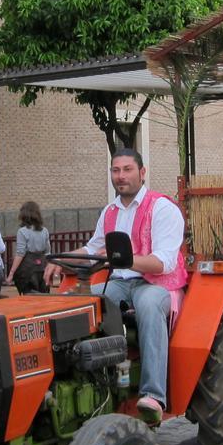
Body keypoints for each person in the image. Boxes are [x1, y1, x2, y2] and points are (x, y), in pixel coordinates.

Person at [44, 149, 185, 423]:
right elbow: (93, 247)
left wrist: (125, 260)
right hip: (119, 283)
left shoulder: (163, 208)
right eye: (116, 170)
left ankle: (153, 395)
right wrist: (62, 260)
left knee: (147, 305)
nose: (121, 176)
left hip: (157, 284)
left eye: (127, 169)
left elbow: (164, 262)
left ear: (142, 173)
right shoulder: (110, 212)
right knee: (76, 301)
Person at [6, 201, 50, 295]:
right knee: (43, 298)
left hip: (27, 271)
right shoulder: (45, 230)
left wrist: (11, 273)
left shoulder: (22, 231)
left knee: (29, 298)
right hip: (42, 268)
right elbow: (47, 252)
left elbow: (20, 254)